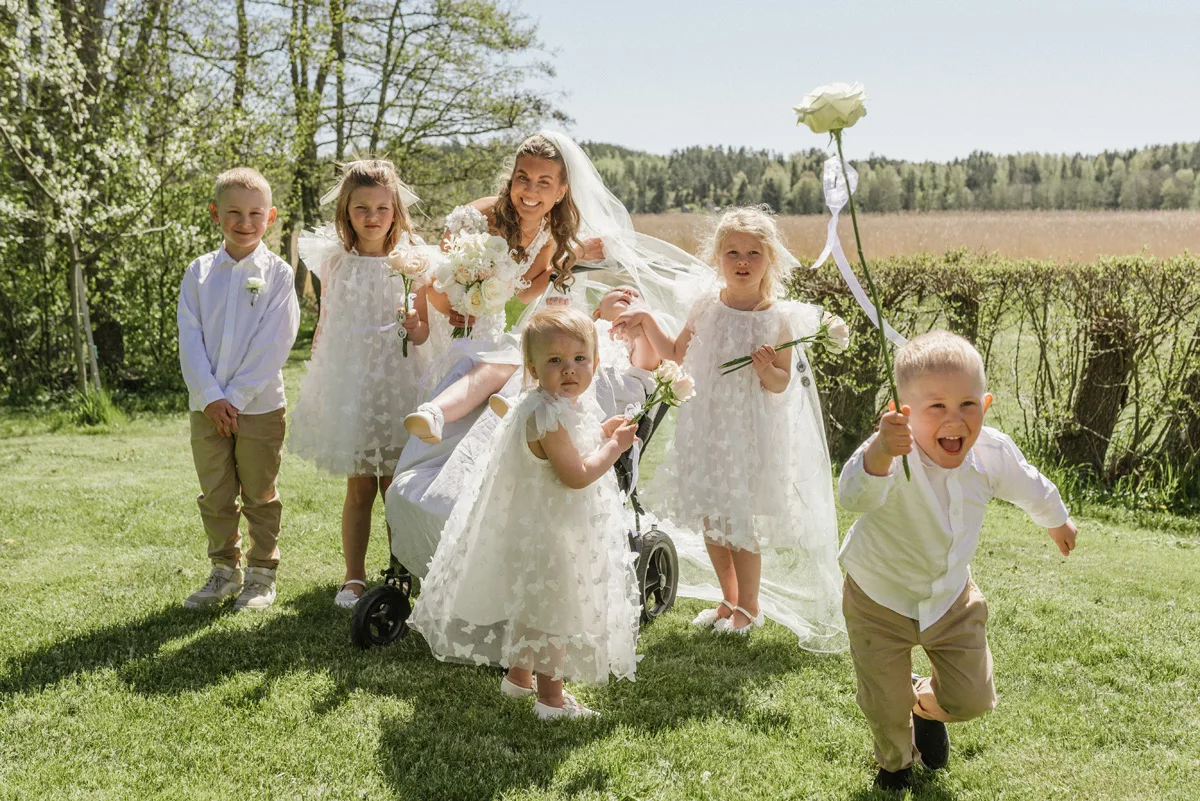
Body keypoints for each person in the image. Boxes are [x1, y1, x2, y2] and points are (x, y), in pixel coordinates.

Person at [837, 329, 1078, 792]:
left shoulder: (990, 452)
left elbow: (1029, 484)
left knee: (972, 697)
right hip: (878, 597)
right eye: (936, 407)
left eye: (967, 405)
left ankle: (924, 705)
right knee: (883, 703)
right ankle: (896, 763)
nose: (955, 419)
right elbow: (853, 496)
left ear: (985, 406)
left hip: (950, 596)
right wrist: (881, 451)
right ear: (900, 413)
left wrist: (1056, 520)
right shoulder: (892, 456)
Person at [612, 207, 846, 650]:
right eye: (733, 252)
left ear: (769, 259)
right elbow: (675, 354)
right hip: (707, 426)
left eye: (753, 253)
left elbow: (780, 383)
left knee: (740, 522)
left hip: (748, 433)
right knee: (713, 518)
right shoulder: (706, 305)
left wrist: (764, 370)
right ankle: (728, 599)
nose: (742, 261)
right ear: (718, 257)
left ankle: (749, 608)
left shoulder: (776, 318)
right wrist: (646, 321)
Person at [408, 307, 642, 720]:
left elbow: (576, 443)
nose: (569, 370)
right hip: (551, 533)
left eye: (579, 359)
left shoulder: (552, 406)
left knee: (531, 606)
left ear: (595, 362)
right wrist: (616, 448)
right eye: (555, 361)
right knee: (553, 610)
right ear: (532, 368)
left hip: (537, 527)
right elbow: (576, 473)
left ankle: (519, 677)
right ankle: (551, 700)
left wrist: (603, 432)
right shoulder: (548, 415)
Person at [287, 160, 430, 608]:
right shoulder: (335, 260)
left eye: (382, 208)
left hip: (399, 381)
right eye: (361, 208)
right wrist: (323, 376)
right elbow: (328, 320)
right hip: (353, 384)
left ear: (396, 211)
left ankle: (399, 573)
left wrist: (414, 325)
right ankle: (353, 576)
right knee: (359, 485)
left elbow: (424, 331)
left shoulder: (413, 262)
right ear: (346, 212)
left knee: (395, 483)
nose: (372, 216)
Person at [178, 167, 300, 611]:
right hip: (207, 407)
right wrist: (211, 396)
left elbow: (276, 341)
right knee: (214, 492)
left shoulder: (279, 274)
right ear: (216, 214)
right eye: (234, 213)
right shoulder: (199, 273)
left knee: (259, 491)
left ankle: (262, 573)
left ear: (271, 218)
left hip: (260, 406)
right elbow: (189, 338)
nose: (244, 222)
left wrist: (237, 397)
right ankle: (224, 571)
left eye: (254, 213)